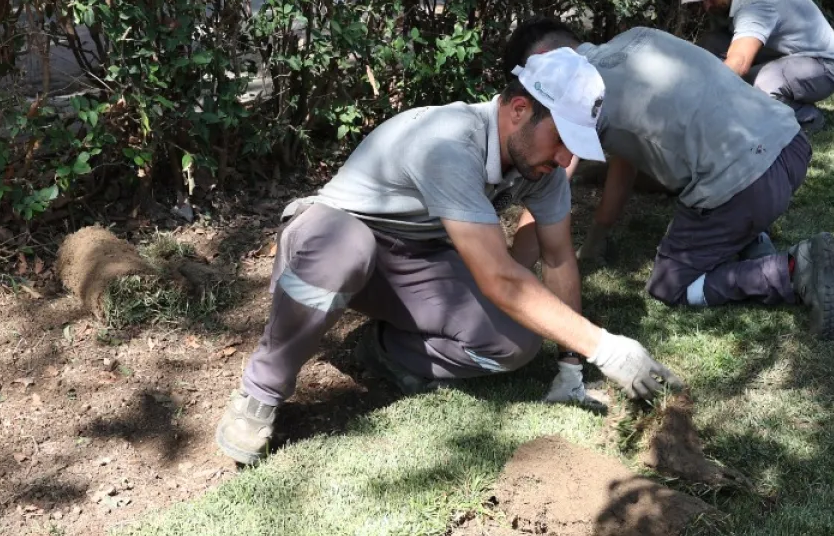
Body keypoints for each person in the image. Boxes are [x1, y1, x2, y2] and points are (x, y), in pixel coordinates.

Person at [216, 48, 682, 466]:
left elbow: (558, 257)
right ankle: (261, 392)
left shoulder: (540, 169)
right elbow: (501, 278)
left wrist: (570, 366)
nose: (564, 161)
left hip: (414, 259)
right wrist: (605, 347)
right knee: (347, 248)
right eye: (561, 140)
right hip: (331, 238)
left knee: (516, 344)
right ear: (519, 110)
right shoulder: (448, 142)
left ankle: (383, 351)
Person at [504, 18, 834, 340]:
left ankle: (790, 270)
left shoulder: (576, 93)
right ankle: (748, 239)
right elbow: (627, 159)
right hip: (790, 146)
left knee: (671, 287)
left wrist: (510, 279)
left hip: (747, 185)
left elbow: (550, 191)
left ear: (546, 60)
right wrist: (599, 234)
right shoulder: (638, 36)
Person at [679, 0, 834, 130]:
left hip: (823, 66)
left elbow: (739, 62)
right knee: (709, 45)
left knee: (762, 85)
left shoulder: (755, 0)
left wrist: (698, 103)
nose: (706, 6)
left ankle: (806, 116)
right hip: (785, 53)